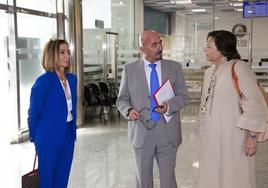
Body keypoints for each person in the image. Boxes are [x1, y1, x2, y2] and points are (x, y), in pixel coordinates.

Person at [116, 30, 188, 188]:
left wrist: (169, 106)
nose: (160, 48)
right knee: (143, 181)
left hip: (167, 133)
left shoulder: (174, 68)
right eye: (154, 45)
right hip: (142, 134)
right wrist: (128, 111)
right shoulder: (130, 70)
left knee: (168, 181)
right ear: (143, 49)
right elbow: (122, 99)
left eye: (160, 43)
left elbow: (183, 97)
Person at [198, 30, 267, 188]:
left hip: (234, 137)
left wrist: (252, 136)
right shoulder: (209, 73)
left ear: (222, 49)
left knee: (234, 175)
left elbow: (254, 103)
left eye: (209, 46)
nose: (205, 49)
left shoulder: (239, 68)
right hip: (212, 138)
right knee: (212, 175)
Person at [27, 39, 77, 188]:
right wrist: (36, 138)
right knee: (47, 180)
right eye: (62, 52)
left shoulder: (72, 79)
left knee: (62, 177)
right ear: (51, 55)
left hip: (68, 135)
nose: (67, 55)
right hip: (48, 138)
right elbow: (33, 113)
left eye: (68, 52)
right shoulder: (44, 81)